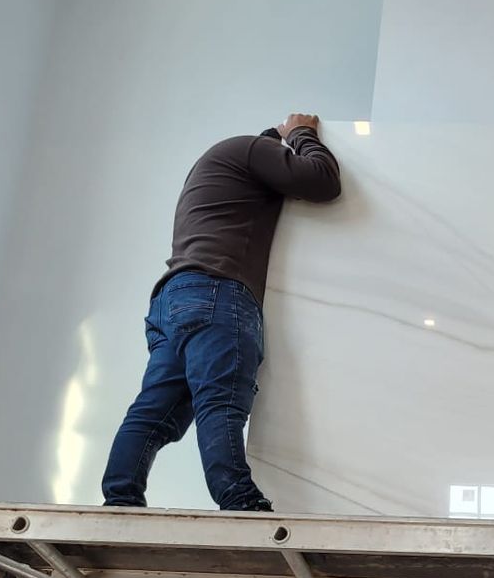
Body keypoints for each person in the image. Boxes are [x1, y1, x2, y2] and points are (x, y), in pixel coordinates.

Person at [101, 115, 344, 513]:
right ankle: (240, 501)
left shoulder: (217, 165)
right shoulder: (252, 150)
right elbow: (322, 181)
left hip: (172, 299)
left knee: (154, 410)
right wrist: (301, 134)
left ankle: (120, 498)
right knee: (221, 400)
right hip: (216, 290)